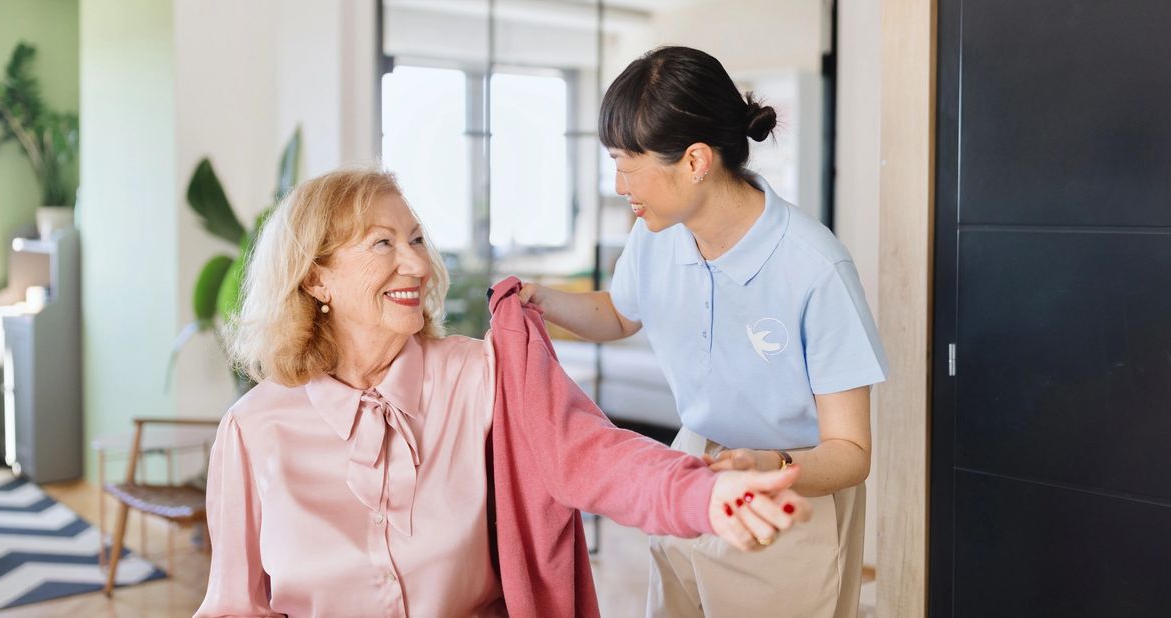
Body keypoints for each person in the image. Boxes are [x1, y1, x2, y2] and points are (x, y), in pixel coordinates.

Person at [193, 167, 813, 618]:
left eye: (415, 239)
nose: (416, 264)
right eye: (382, 243)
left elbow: (594, 454)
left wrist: (704, 493)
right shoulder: (253, 429)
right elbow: (233, 605)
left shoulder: (480, 375)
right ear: (316, 278)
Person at [517, 46, 889, 617]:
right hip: (691, 467)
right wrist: (539, 300)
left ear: (694, 161)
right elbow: (620, 314)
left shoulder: (815, 268)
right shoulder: (658, 233)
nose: (619, 184)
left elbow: (850, 452)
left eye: (628, 162)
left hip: (782, 489)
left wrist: (768, 467)